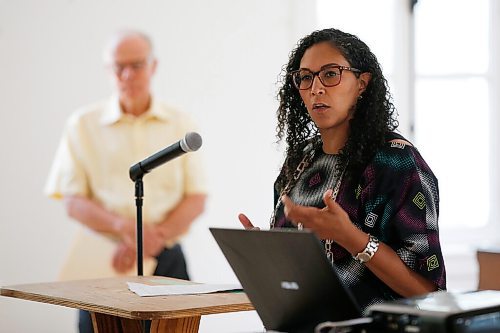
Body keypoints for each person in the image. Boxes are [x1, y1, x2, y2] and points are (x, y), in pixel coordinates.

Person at [239, 27, 446, 312]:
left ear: (362, 83)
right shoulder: (300, 159)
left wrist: (351, 237)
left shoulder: (395, 161)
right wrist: (268, 255)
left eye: (330, 73)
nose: (316, 88)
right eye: (305, 78)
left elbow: (428, 290)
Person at [45, 30, 207, 332]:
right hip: (106, 260)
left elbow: (196, 198)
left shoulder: (180, 122)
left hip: (166, 256)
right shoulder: (82, 124)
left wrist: (153, 238)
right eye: (117, 67)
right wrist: (125, 230)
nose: (127, 75)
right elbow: (72, 200)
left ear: (153, 66)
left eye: (136, 65)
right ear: (108, 70)